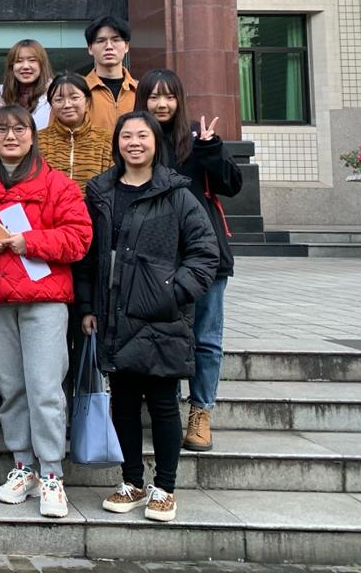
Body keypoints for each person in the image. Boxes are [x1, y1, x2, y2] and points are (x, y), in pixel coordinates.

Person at [0, 105, 92, 521]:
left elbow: (79, 238)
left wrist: (28, 242)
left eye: (19, 129)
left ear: (33, 134)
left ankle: (52, 473)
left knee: (45, 389)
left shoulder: (58, 184)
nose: (10, 136)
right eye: (2, 129)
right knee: (12, 387)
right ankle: (23, 466)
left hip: (45, 300)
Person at [78, 111, 219, 523]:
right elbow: (87, 255)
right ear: (117, 143)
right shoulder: (100, 191)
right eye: (126, 136)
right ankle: (132, 482)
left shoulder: (176, 193)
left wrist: (172, 292)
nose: (134, 142)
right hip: (113, 312)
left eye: (142, 135)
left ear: (156, 142)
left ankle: (165, 487)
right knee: (122, 402)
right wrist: (87, 307)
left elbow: (204, 253)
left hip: (162, 317)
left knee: (161, 403)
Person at [137, 69, 242, 453]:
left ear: (179, 100)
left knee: (206, 338)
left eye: (169, 96)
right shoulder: (137, 139)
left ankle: (201, 411)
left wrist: (211, 149)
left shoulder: (199, 138)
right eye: (153, 97)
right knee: (161, 335)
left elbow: (232, 185)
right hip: (156, 259)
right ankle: (164, 410)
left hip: (206, 255)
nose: (161, 104)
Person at [36, 74, 112, 195]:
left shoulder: (106, 140)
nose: (67, 105)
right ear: (51, 105)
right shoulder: (38, 140)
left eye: (74, 98)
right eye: (59, 100)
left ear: (87, 102)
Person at [84, 16, 138, 132]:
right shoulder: (78, 91)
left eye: (116, 40)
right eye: (101, 41)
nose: (109, 46)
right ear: (90, 48)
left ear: (126, 46)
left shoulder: (140, 90)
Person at [0, 39, 54, 129]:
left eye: (32, 60)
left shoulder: (54, 93)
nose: (25, 66)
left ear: (42, 65)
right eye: (19, 61)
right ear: (11, 66)